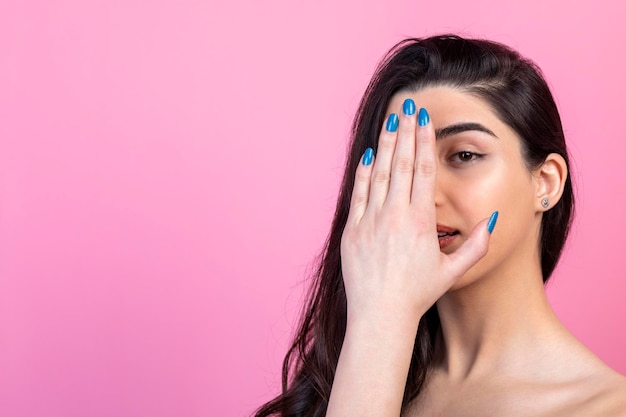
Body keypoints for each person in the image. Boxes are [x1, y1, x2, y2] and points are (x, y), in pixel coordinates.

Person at [254, 34, 626, 417]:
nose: (424, 194)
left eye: (464, 155)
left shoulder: (608, 406)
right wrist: (380, 317)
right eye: (404, 162)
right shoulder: (347, 377)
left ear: (545, 181)